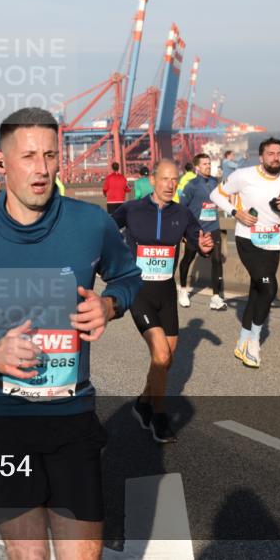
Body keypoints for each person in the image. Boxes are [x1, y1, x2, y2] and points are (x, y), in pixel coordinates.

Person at [0, 107, 141, 558]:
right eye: (28, 157)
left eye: (49, 155)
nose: (41, 169)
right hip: (0, 424)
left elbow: (129, 277)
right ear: (1, 164)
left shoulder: (91, 224)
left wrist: (110, 303)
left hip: (72, 417)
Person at [113, 159, 213, 442]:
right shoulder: (132, 209)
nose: (170, 185)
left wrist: (203, 246)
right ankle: (159, 416)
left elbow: (196, 237)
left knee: (165, 361)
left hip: (166, 293)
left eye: (174, 180)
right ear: (153, 180)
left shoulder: (181, 213)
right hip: (139, 291)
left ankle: (143, 402)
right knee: (160, 354)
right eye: (165, 179)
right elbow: (106, 231)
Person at [210, 137, 280, 368]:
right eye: (271, 153)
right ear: (261, 157)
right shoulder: (243, 175)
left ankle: (241, 342)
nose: (276, 157)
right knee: (269, 287)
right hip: (248, 239)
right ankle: (254, 341)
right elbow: (216, 195)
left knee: (257, 291)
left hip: (273, 241)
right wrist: (237, 212)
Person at [176, 153, 227, 310]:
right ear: (197, 167)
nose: (208, 166)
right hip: (196, 230)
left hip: (213, 228)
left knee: (217, 260)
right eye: (204, 164)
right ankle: (183, 289)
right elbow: (182, 208)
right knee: (188, 259)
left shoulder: (214, 182)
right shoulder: (191, 185)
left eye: (209, 163)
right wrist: (184, 232)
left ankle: (216, 297)